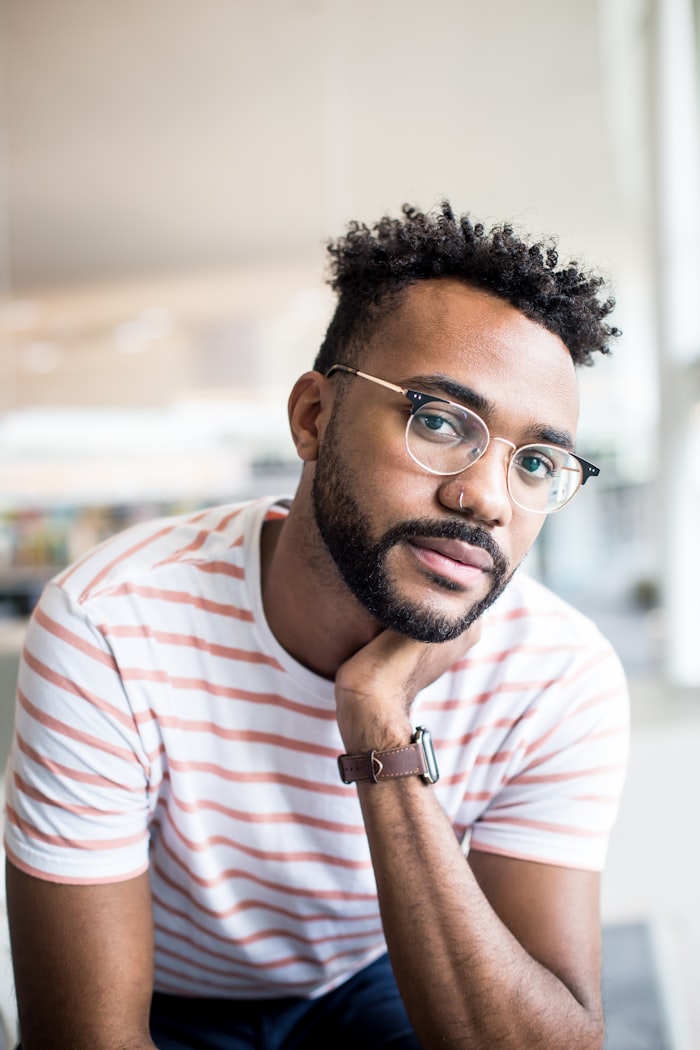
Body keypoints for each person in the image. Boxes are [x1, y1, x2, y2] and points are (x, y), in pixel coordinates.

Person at [4, 201, 629, 1050]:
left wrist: (380, 724)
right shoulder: (112, 623)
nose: (486, 498)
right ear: (312, 417)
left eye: (535, 463)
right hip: (172, 991)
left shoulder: (561, 673)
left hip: (377, 970)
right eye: (439, 422)